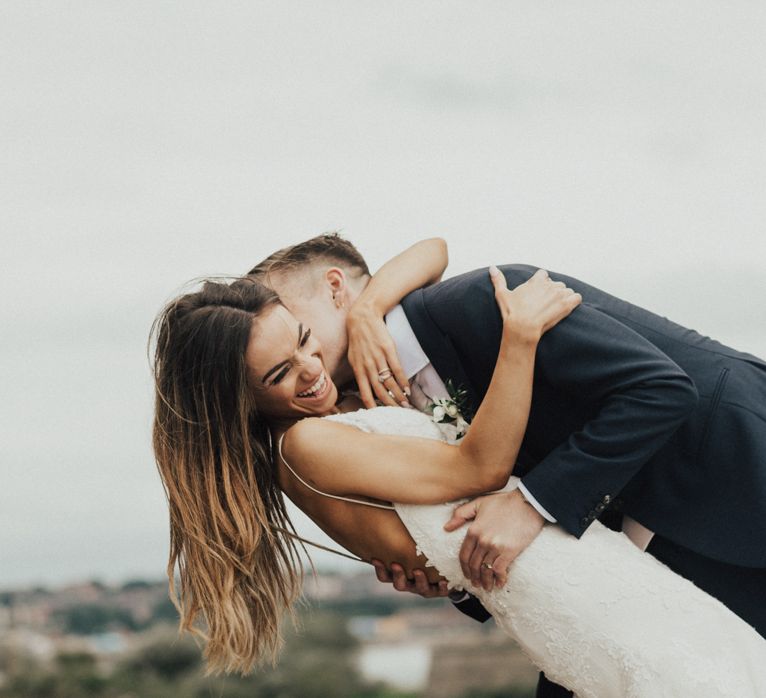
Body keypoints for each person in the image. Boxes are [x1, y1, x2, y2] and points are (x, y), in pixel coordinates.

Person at [152, 251, 766, 695]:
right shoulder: (315, 441)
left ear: (339, 293)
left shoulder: (488, 302)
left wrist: (495, 532)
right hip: (638, 572)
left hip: (737, 473)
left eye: (304, 336)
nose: (309, 368)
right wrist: (449, 571)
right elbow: (479, 479)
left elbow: (659, 389)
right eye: (279, 374)